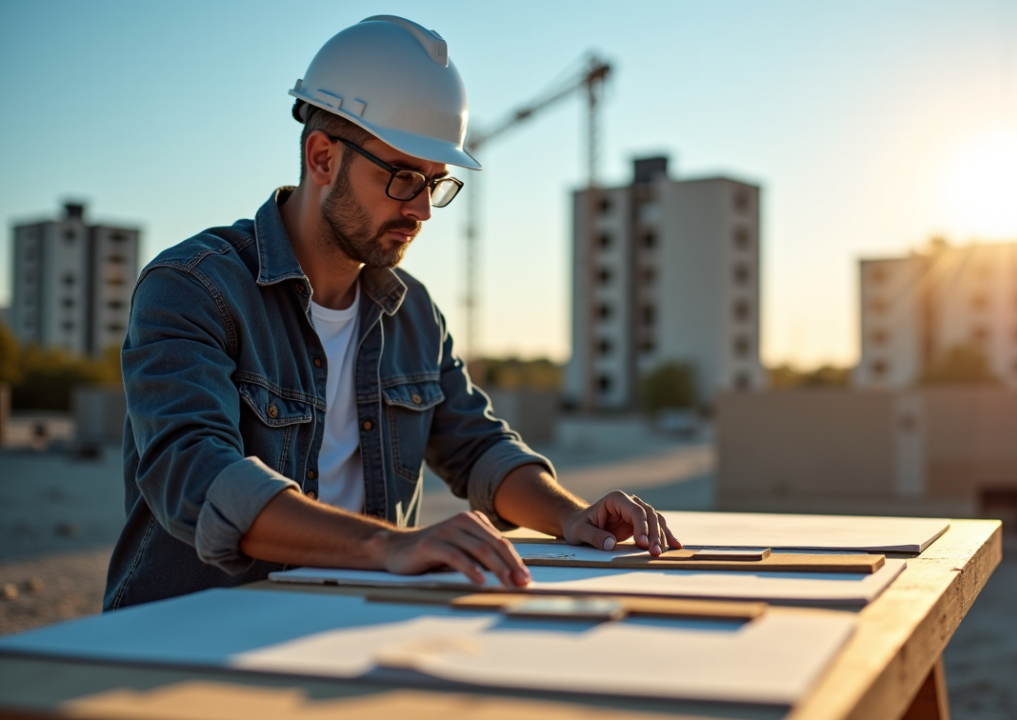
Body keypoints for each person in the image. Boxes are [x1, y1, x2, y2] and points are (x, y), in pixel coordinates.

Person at [104, 15, 679, 610]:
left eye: (436, 183)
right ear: (323, 158)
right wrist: (390, 546)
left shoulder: (413, 314)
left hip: (348, 634)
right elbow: (195, 476)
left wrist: (571, 515)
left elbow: (477, 447)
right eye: (405, 178)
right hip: (187, 642)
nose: (424, 210)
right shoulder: (194, 288)